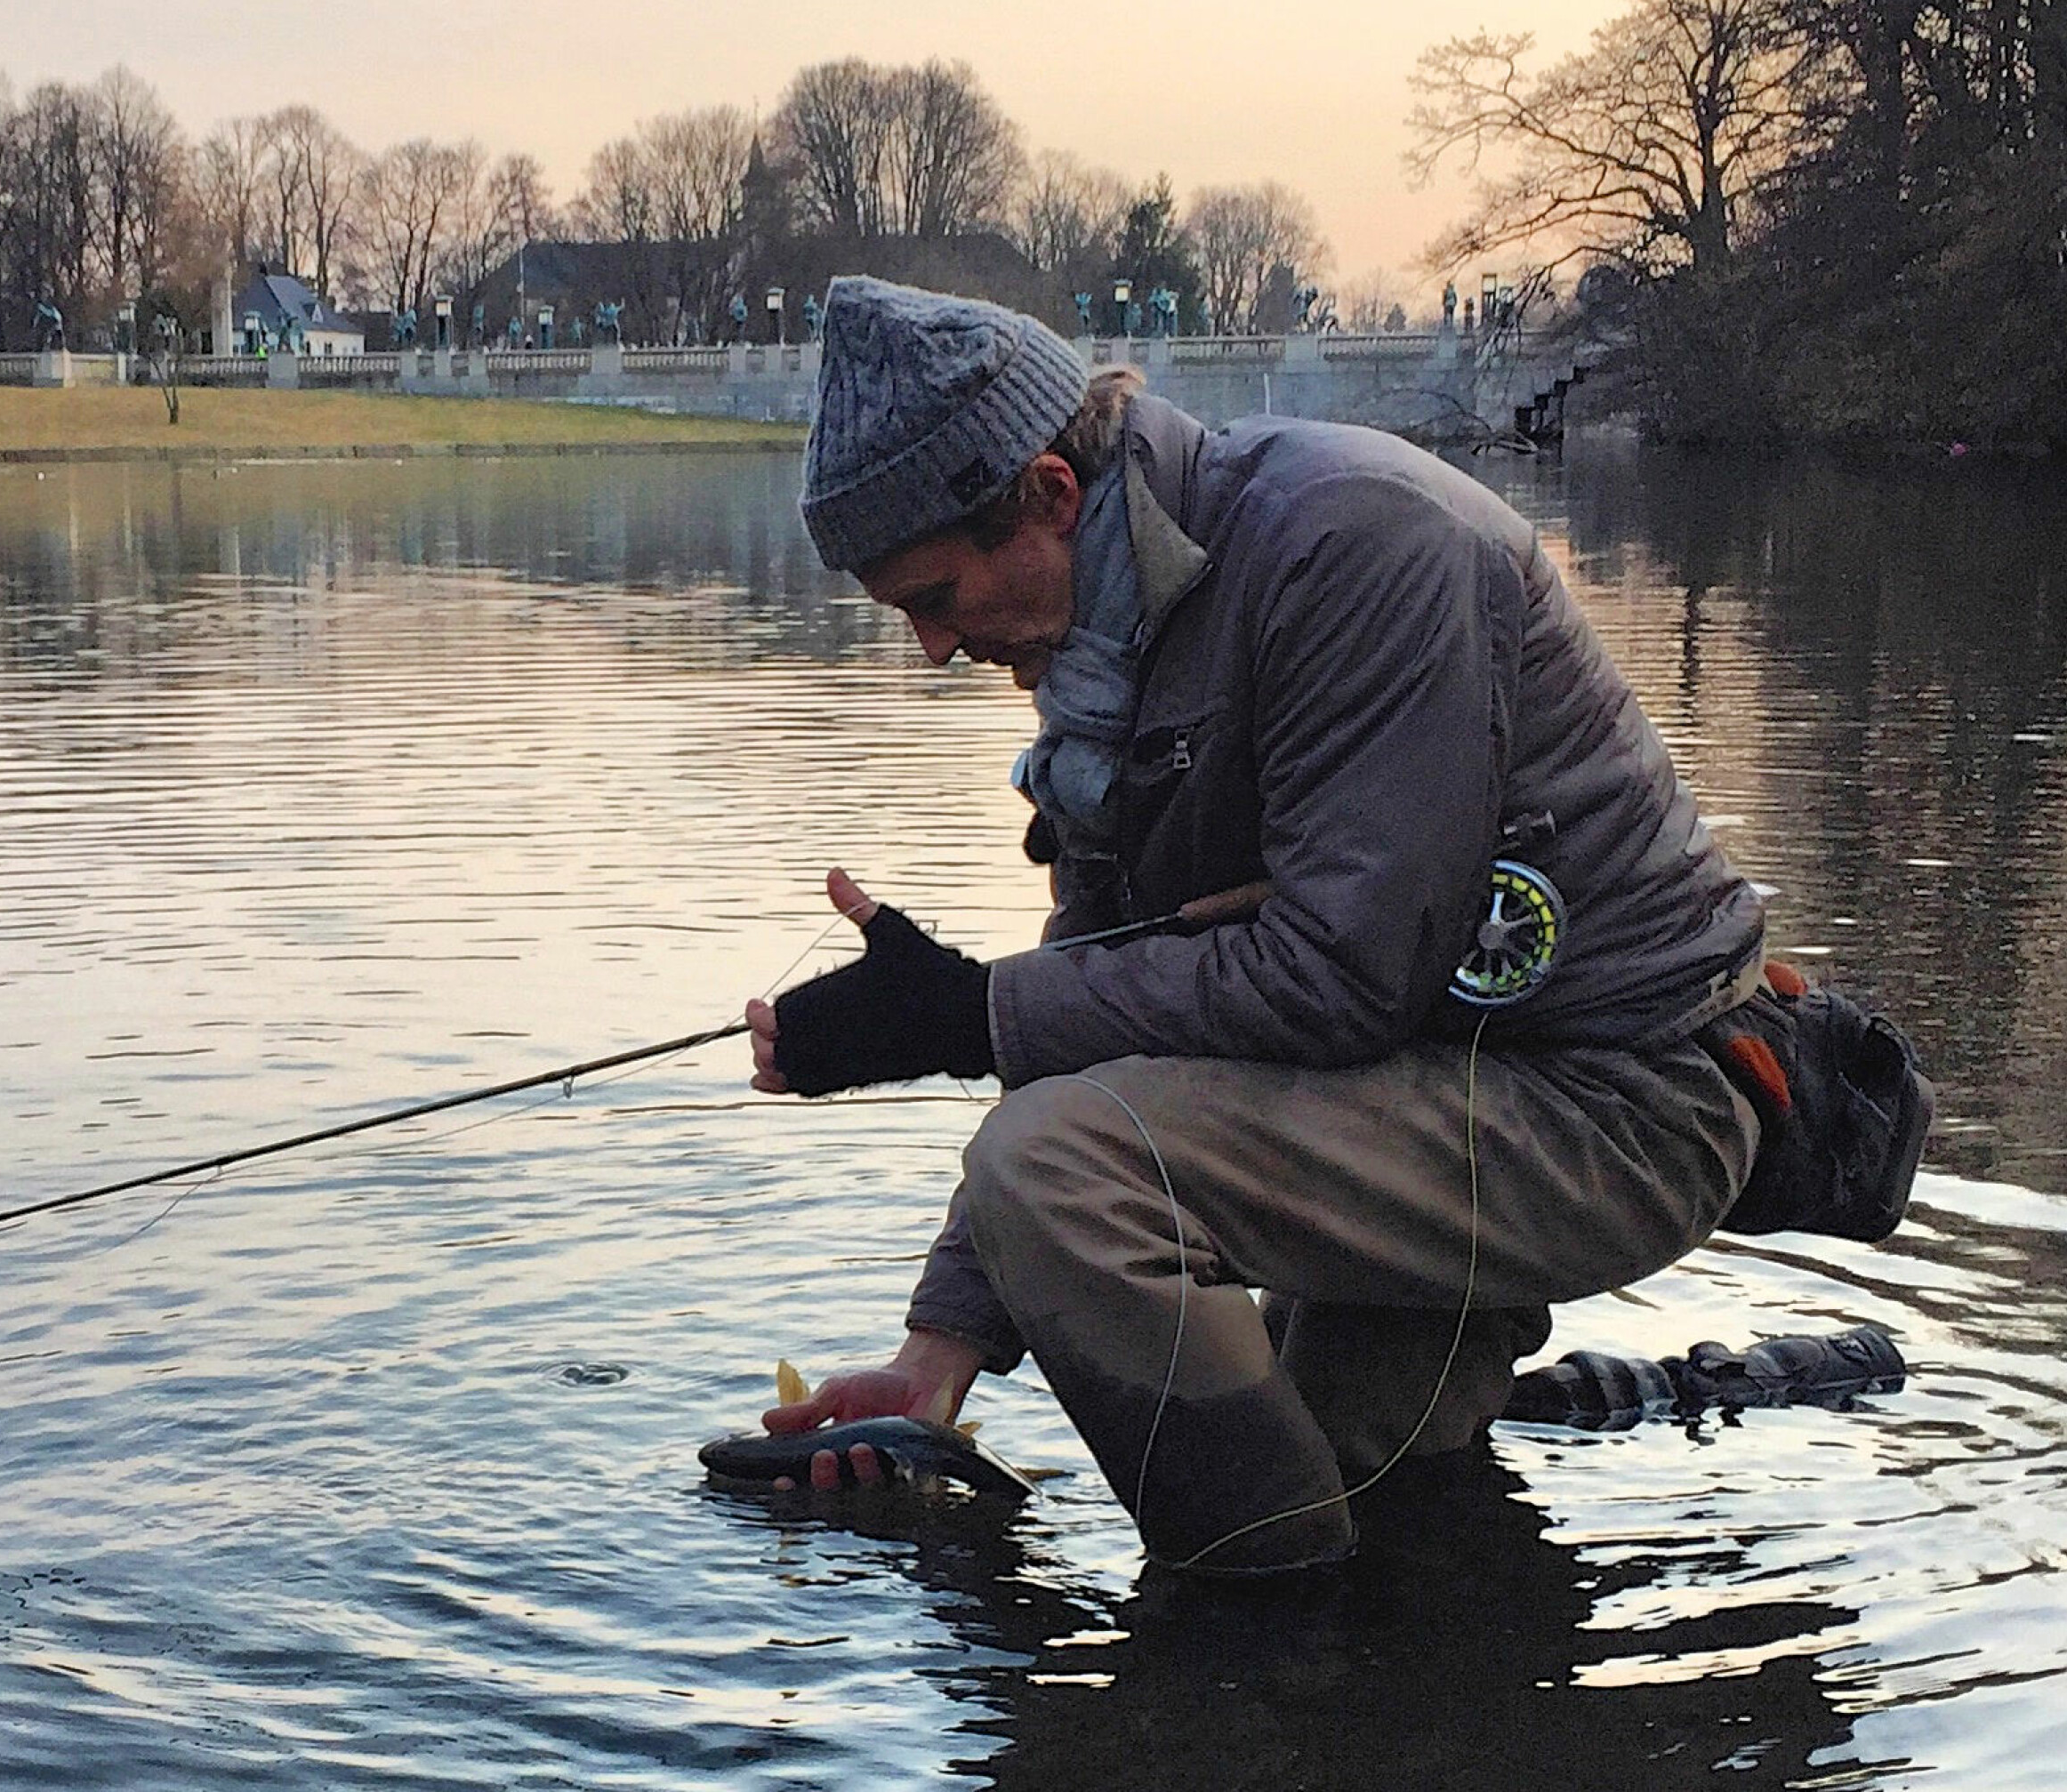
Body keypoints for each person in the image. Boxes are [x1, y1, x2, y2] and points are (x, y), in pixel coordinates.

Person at [745, 277, 1765, 1572]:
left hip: (1615, 1099)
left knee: (1064, 1186)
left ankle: (1250, 1654)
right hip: (1428, 1093)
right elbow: (1104, 997)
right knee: (1356, 1482)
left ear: (1050, 497)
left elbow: (1343, 979)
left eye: (934, 600)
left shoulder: (1356, 544)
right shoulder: (1107, 645)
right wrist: (935, 1355)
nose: (936, 650)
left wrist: (965, 1013)